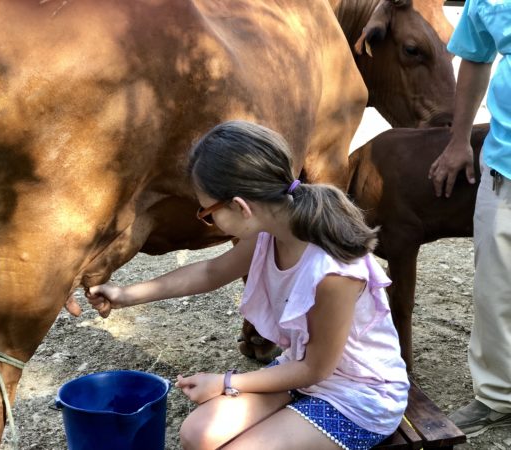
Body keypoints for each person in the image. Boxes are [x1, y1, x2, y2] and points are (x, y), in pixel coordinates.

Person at [86, 121, 409, 449]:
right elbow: (211, 272)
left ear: (240, 206)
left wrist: (225, 383)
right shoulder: (270, 233)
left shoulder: (332, 271)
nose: (209, 221)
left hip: (359, 396)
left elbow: (316, 368)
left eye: (208, 212)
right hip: (303, 371)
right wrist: (125, 295)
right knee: (197, 435)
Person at [428, 0, 511, 437]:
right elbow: (476, 59)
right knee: (495, 290)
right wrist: (459, 140)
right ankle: (498, 396)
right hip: (505, 168)